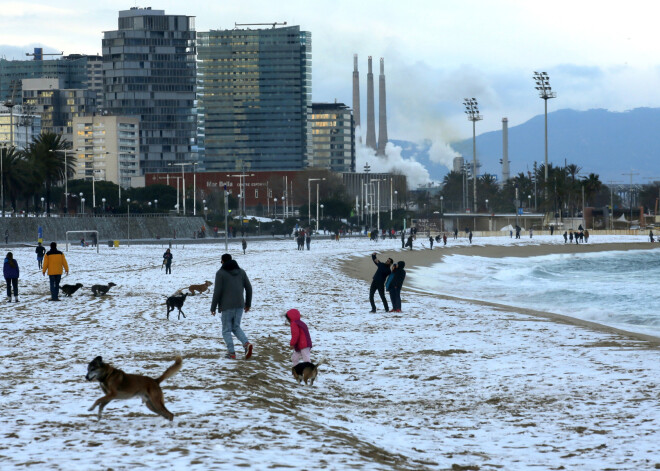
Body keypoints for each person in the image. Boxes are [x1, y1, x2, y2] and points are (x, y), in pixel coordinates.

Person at [211, 253, 253, 360]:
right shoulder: (241, 272)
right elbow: (249, 288)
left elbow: (217, 292)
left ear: (223, 261)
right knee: (236, 327)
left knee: (226, 330)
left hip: (226, 306)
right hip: (239, 305)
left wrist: (213, 307)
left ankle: (231, 353)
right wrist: (248, 304)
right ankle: (246, 344)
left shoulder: (220, 273)